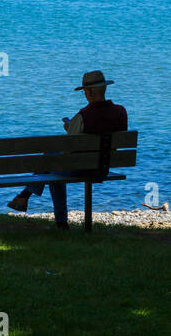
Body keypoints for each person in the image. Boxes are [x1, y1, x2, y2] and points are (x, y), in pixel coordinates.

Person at [8, 70, 129, 228]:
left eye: (85, 91)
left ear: (90, 92)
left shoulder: (83, 116)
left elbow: (67, 154)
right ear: (104, 89)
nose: (85, 94)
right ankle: (24, 197)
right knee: (51, 160)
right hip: (104, 166)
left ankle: (58, 221)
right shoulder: (121, 112)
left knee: (51, 164)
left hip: (83, 169)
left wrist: (71, 129)